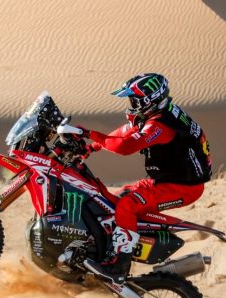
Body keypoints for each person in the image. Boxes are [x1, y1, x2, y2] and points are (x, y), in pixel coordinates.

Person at [81, 73, 212, 284]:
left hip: (183, 187)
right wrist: (91, 146)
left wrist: (89, 134)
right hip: (165, 180)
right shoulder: (158, 114)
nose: (131, 106)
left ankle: (118, 266)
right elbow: (126, 131)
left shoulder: (161, 124)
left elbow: (125, 146)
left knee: (127, 206)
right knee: (110, 203)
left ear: (149, 100)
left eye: (134, 101)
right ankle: (104, 252)